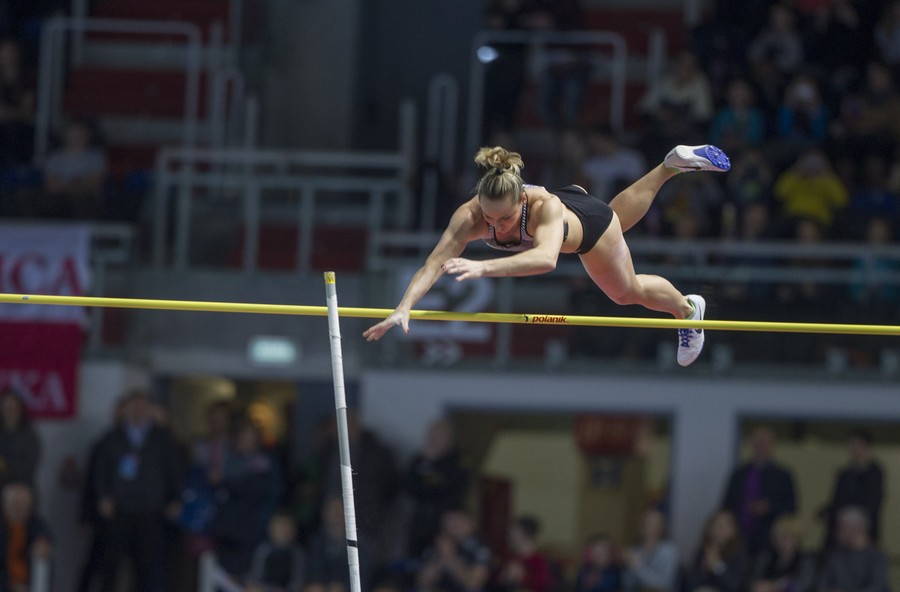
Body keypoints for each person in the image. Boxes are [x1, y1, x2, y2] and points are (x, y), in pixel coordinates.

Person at [363, 144, 731, 367]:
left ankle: (686, 308)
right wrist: (404, 306)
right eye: (489, 218)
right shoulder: (470, 216)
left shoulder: (545, 208)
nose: (499, 227)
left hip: (587, 226)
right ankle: (669, 165)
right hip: (581, 203)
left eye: (505, 218)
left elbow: (544, 260)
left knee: (626, 291)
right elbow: (433, 264)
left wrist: (482, 267)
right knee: (617, 221)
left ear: (521, 199)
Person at [94, 390, 183, 592]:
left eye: (142, 406)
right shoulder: (113, 436)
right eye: (134, 406)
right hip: (120, 507)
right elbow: (101, 469)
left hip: (150, 508)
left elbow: (174, 468)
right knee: (112, 564)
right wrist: (102, 497)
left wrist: (175, 498)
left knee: (146, 565)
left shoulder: (162, 437)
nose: (138, 411)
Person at [721, 426, 797, 556]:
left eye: (764, 442)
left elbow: (791, 508)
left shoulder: (782, 475)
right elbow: (727, 505)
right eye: (757, 442)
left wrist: (769, 507)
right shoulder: (739, 474)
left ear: (772, 445)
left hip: (770, 539)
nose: (760, 446)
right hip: (739, 537)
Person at [405, 419, 469, 557]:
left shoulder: (458, 462)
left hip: (446, 524)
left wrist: (433, 470)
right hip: (420, 523)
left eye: (438, 436)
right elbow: (410, 487)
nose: (434, 440)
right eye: (431, 436)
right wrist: (427, 464)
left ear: (448, 438)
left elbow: (449, 488)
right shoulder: (419, 460)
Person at [819, 430, 884, 547]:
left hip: (862, 532)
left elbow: (872, 504)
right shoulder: (844, 474)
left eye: (858, 445)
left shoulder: (875, 474)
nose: (854, 449)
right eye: (852, 445)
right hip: (841, 531)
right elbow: (836, 500)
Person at [416, 507, 491, 592]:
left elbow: (474, 583)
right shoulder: (439, 545)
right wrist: (440, 558)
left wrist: (451, 558)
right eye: (448, 523)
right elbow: (422, 581)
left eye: (457, 522)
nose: (453, 527)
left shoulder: (479, 548)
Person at [817, 507, 888, 592]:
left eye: (841, 528)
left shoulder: (876, 558)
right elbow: (822, 584)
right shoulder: (835, 556)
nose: (837, 533)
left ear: (855, 529)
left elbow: (876, 588)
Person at [0, 482, 51, 592]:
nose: (19, 508)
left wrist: (43, 542)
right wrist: (11, 585)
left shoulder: (33, 525)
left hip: (29, 583)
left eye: (24, 504)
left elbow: (44, 533)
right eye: (15, 503)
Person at [684, 510, 749, 592]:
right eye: (717, 525)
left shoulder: (739, 553)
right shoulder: (703, 551)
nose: (720, 530)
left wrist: (717, 567)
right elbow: (689, 584)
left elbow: (735, 586)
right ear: (709, 529)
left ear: (733, 531)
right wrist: (703, 569)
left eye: (724, 526)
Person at [749, 515, 815, 592]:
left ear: (798, 539)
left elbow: (804, 585)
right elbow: (753, 581)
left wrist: (775, 586)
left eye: (791, 537)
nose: (787, 542)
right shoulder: (766, 558)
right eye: (782, 537)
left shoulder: (805, 560)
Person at [245, 510, 306, 592]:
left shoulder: (297, 553)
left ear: (293, 530)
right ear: (271, 529)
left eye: (285, 526)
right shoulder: (263, 550)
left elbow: (297, 582)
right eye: (279, 526)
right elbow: (254, 576)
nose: (282, 530)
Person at [621, 509, 679, 592]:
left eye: (652, 524)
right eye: (644, 523)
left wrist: (636, 566)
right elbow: (627, 585)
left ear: (661, 528)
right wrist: (625, 565)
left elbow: (663, 585)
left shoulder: (669, 551)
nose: (647, 527)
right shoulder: (636, 550)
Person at [496, 516, 552, 592]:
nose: (509, 535)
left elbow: (542, 585)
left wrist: (522, 576)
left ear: (524, 535)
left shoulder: (539, 561)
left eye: (514, 532)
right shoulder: (508, 557)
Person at [0, 389, 41, 490]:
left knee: (14, 496)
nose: (9, 411)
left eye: (12, 408)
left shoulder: (29, 435)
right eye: (6, 407)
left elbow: (28, 465)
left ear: (20, 409)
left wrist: (5, 467)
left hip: (21, 484)